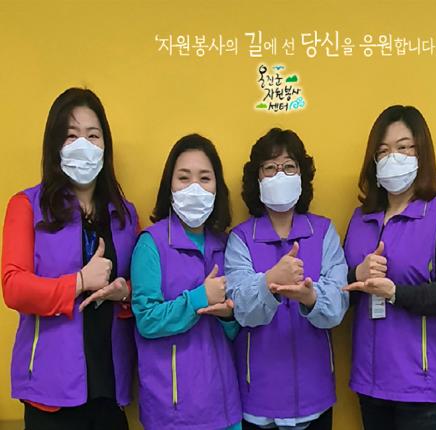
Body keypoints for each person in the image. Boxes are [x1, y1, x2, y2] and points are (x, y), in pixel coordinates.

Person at [2, 87, 138, 430]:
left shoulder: (125, 215)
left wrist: (125, 291)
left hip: (110, 386)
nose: (83, 145)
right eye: (71, 135)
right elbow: (13, 287)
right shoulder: (27, 205)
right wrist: (79, 282)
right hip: (50, 392)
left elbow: (142, 288)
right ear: (55, 145)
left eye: (93, 135)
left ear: (105, 146)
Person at [343, 105, 436, 430]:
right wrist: (356, 275)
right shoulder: (360, 219)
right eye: (383, 151)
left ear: (421, 154)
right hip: (370, 383)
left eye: (403, 148)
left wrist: (397, 293)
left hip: (422, 387)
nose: (392, 158)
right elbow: (340, 291)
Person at [225, 128, 348, 430]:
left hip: (315, 397)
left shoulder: (324, 232)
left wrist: (311, 298)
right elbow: (242, 309)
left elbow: (338, 304)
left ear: (302, 175)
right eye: (270, 167)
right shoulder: (241, 238)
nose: (280, 175)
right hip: (259, 399)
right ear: (257, 178)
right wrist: (269, 282)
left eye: (289, 166)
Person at [131, 134, 242, 430]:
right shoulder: (151, 243)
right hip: (173, 410)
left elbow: (236, 329)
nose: (195, 187)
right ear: (169, 185)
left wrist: (228, 316)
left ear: (217, 187)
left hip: (225, 406)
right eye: (184, 177)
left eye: (205, 178)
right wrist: (199, 298)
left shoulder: (225, 244)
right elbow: (146, 320)